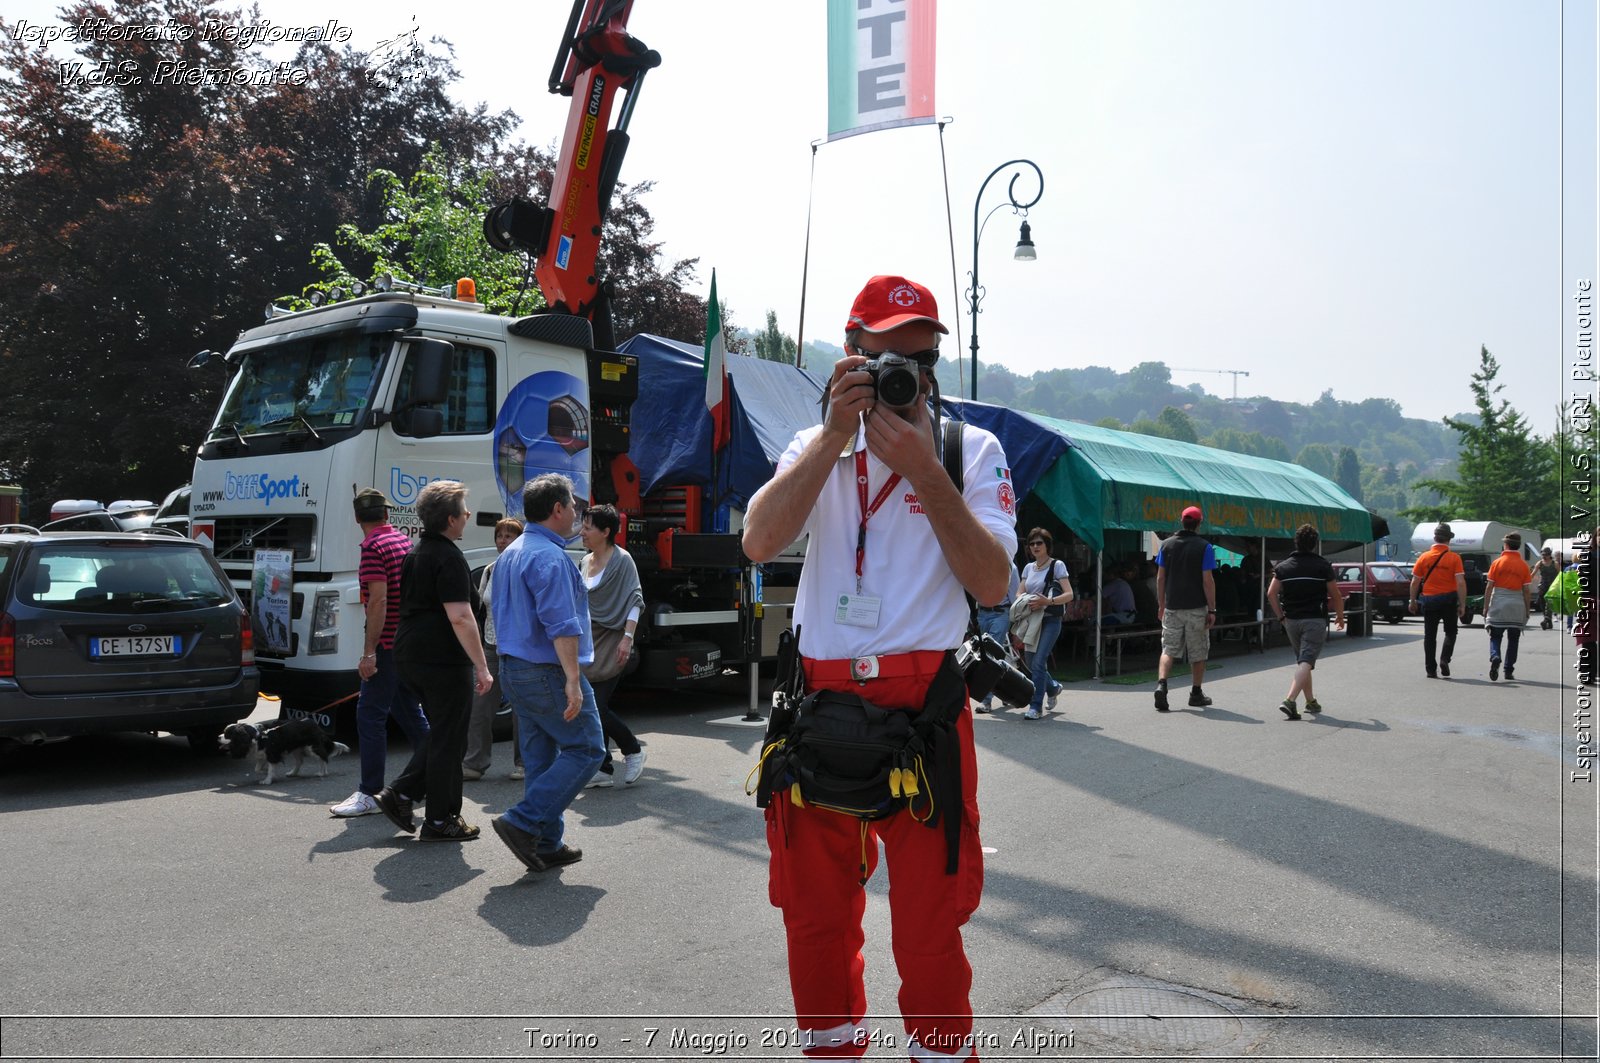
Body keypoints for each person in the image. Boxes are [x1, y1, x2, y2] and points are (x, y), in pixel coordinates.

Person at [742, 274, 1015, 1062]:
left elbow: (993, 583)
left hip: (923, 699)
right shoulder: (814, 444)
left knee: (931, 927)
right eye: (885, 358)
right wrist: (832, 437)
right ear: (850, 359)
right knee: (814, 924)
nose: (905, 377)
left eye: (920, 360)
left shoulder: (970, 449)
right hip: (820, 699)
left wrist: (929, 470)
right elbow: (759, 541)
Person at [488, 474, 606, 873]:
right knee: (588, 748)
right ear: (557, 509)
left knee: (541, 758)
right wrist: (573, 680)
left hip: (514, 669)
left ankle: (546, 842)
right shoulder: (550, 558)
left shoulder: (512, 551)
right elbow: (561, 625)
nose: (577, 513)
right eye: (573, 506)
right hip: (545, 672)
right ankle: (522, 822)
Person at [374, 480, 494, 841]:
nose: (469, 514)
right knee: (449, 739)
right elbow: (460, 616)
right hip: (441, 659)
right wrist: (482, 665)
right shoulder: (448, 557)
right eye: (464, 510)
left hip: (411, 654)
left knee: (446, 735)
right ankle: (439, 817)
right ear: (451, 518)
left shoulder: (419, 551)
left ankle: (405, 794)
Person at [330, 488, 431, 819]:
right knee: (408, 712)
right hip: (407, 641)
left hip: (387, 643)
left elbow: (378, 600)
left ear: (358, 517)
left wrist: (369, 652)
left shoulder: (372, 547)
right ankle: (435, 772)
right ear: (387, 514)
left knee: (369, 714)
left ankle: (369, 792)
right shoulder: (401, 541)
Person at [579, 503, 648, 787]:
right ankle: (604, 768)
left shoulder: (623, 560)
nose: (581, 532)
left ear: (606, 531)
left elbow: (634, 599)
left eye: (587, 527)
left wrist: (627, 638)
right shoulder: (584, 561)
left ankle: (632, 749)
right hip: (588, 641)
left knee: (596, 706)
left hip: (614, 640)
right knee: (589, 705)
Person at [462, 517, 525, 781]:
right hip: (490, 645)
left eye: (509, 536)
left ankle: (524, 763)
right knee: (479, 707)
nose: (502, 540)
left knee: (521, 710)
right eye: (499, 535)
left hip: (519, 649)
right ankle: (475, 763)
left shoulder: (525, 567)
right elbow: (480, 610)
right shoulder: (489, 570)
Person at [1266, 523, 1346, 720]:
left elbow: (1271, 593)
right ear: (1314, 544)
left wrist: (1280, 616)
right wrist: (1340, 616)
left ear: (1296, 542)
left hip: (1291, 620)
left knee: (1304, 660)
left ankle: (1310, 701)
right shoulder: (1322, 566)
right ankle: (1290, 700)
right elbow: (1335, 594)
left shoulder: (1283, 567)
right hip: (1314, 620)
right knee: (1307, 660)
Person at [1154, 505, 1218, 711]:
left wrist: (1161, 604)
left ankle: (1161, 685)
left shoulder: (1166, 545)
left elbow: (1160, 577)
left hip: (1172, 606)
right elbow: (1207, 581)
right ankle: (1196, 693)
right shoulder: (1204, 547)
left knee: (1168, 649)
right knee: (1198, 651)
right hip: (1196, 607)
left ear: (1181, 521)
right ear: (1199, 523)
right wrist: (1212, 609)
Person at [1019, 528, 1072, 719]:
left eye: (1039, 543)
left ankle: (1035, 706)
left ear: (1047, 545)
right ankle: (1053, 687)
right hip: (1032, 620)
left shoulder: (1057, 565)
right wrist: (1028, 600)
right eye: (1032, 544)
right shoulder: (1028, 568)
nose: (1035, 547)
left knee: (1039, 661)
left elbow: (1069, 594)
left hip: (1050, 619)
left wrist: (1047, 602)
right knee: (1032, 662)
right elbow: (1019, 593)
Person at [1408, 522, 1467, 679]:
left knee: (1430, 635)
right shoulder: (1454, 558)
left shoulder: (1424, 557)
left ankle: (1430, 669)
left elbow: (1415, 582)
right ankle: (1444, 659)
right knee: (1451, 631)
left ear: (1435, 538)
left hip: (1429, 599)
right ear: (1448, 540)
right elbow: (1460, 582)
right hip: (1449, 598)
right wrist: (1463, 604)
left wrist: (1412, 601)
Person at [1484, 532, 1532, 682]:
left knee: (1495, 635)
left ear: (1505, 545)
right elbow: (1526, 590)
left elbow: (1489, 586)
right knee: (1514, 638)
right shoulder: (1523, 565)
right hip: (1517, 604)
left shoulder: (1497, 563)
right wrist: (1527, 608)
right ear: (1517, 546)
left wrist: (1486, 606)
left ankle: (1495, 655)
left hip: (1499, 602)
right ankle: (1508, 670)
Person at [972, 565, 1020, 713]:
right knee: (988, 655)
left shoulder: (1011, 567)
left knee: (990, 655)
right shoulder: (978, 563)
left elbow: (1014, 596)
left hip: (1000, 613)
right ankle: (1008, 691)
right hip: (981, 613)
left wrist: (1016, 623)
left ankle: (986, 701)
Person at [1099, 561, 1137, 626]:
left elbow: (1097, 598)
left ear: (1112, 574)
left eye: (1106, 574)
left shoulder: (1114, 584)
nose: (1104, 576)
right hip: (1130, 616)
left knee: (1093, 621)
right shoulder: (1123, 583)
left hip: (1124, 616)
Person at [1531, 546, 1559, 630]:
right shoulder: (1539, 563)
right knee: (1542, 603)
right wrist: (1525, 581)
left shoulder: (1555, 563)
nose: (1544, 556)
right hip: (1543, 586)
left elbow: (1560, 575)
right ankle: (1548, 621)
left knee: (1549, 603)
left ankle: (1546, 619)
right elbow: (1532, 574)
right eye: (1543, 554)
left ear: (1549, 555)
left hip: (1552, 586)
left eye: (1546, 555)